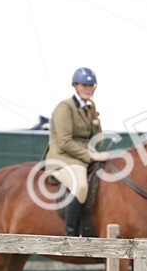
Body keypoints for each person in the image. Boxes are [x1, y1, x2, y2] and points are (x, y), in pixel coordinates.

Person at [44, 67, 103, 238]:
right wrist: (90, 156)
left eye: (91, 85)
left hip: (82, 159)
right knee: (81, 186)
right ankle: (69, 235)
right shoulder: (65, 107)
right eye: (84, 85)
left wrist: (95, 121)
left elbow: (97, 142)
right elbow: (65, 142)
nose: (87, 88)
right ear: (75, 85)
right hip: (63, 159)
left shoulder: (88, 108)